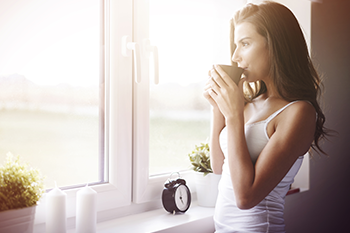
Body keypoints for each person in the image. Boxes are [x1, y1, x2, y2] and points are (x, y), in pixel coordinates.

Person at [203, 1, 329, 232]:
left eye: (245, 43)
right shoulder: (247, 105)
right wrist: (217, 109)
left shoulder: (298, 113)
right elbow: (220, 167)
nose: (235, 56)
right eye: (235, 45)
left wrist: (233, 117)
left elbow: (246, 198)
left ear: (275, 45)